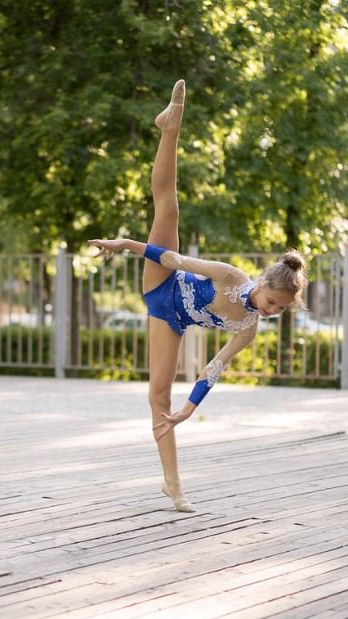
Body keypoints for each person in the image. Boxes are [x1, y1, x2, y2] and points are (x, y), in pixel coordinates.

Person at [89, 80, 308, 513]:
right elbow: (172, 257)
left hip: (171, 320)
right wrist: (128, 245)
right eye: (272, 301)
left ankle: (172, 484)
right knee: (168, 207)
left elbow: (214, 368)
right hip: (163, 281)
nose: (272, 310)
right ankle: (170, 125)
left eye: (280, 310)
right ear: (263, 283)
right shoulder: (230, 275)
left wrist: (192, 408)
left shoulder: (247, 328)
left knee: (160, 397)